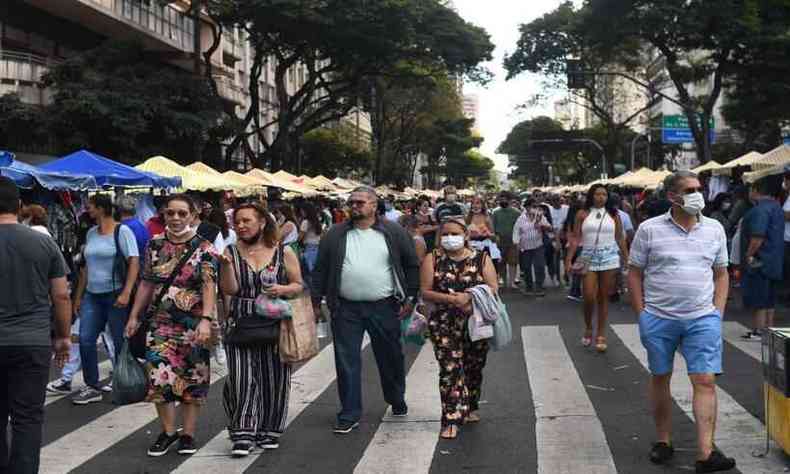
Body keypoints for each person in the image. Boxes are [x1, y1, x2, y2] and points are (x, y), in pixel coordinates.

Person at [627, 170, 735, 473]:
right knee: (660, 377)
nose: (697, 194)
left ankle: (705, 453)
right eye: (690, 190)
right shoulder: (649, 229)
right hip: (659, 318)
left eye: (699, 188)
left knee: (705, 380)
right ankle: (664, 441)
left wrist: (717, 312)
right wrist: (642, 314)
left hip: (702, 318)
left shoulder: (714, 229)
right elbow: (634, 272)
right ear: (673, 196)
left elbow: (721, 273)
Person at [312, 186, 419, 434]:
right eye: (352, 202)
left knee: (390, 357)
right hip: (345, 308)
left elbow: (411, 264)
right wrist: (316, 303)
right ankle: (349, 413)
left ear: (374, 205)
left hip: (385, 306)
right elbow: (320, 269)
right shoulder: (335, 234)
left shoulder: (393, 232)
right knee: (346, 360)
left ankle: (396, 397)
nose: (355, 206)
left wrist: (411, 297)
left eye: (360, 202)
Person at [125, 194, 219, 457]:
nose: (176, 218)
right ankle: (167, 432)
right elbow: (146, 283)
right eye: (170, 213)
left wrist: (206, 320)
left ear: (192, 215)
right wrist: (134, 316)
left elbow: (209, 286)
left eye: (181, 213)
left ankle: (187, 435)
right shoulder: (154, 245)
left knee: (192, 380)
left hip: (193, 327)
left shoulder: (205, 248)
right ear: (163, 215)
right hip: (160, 325)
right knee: (159, 379)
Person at [219, 203, 303, 456]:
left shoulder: (282, 251)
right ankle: (243, 433)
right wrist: (224, 266)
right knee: (241, 378)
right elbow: (230, 290)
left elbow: (298, 284)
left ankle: (270, 429)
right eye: (237, 221)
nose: (241, 226)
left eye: (247, 221)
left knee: (274, 377)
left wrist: (283, 289)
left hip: (274, 320)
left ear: (262, 222)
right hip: (241, 320)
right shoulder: (230, 251)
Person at [0, 177, 71, 474]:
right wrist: (64, 336)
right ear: (19, 206)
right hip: (31, 341)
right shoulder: (43, 242)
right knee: (27, 418)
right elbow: (61, 294)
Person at [420, 217, 498, 439]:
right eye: (445, 234)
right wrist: (451, 299)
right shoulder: (432, 258)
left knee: (474, 367)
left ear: (466, 236)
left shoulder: (482, 258)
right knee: (450, 369)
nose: (449, 238)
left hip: (476, 321)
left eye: (454, 234)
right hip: (443, 322)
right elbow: (425, 291)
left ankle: (471, 405)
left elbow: (493, 287)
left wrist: (469, 297)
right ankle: (451, 418)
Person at [72, 194, 140, 405]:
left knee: (119, 342)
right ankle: (92, 385)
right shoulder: (91, 233)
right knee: (85, 339)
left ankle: (124, 384)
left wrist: (127, 292)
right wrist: (79, 296)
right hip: (92, 294)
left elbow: (134, 263)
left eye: (90, 207)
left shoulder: (123, 231)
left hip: (115, 293)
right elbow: (85, 268)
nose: (87, 211)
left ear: (102, 208)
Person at [565, 185, 628, 352]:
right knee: (588, 296)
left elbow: (620, 237)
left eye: (604, 194)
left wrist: (626, 258)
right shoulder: (582, 214)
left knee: (603, 297)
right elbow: (576, 237)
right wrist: (568, 259)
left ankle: (601, 333)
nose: (601, 197)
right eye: (597, 194)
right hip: (587, 257)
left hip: (609, 258)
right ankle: (588, 327)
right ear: (591, 196)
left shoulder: (614, 215)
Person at [740, 178, 784, 340]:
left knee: (759, 297)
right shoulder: (776, 207)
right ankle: (768, 329)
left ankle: (759, 330)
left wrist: (749, 254)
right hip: (774, 259)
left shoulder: (759, 210)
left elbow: (757, 237)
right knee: (770, 299)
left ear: (756, 190)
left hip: (760, 260)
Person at [512, 199, 552, 297]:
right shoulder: (521, 218)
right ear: (526, 207)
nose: (534, 208)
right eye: (532, 206)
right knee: (526, 267)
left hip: (538, 245)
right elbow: (516, 231)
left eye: (535, 206)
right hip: (525, 247)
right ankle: (529, 287)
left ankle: (539, 286)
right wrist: (516, 243)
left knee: (540, 266)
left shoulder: (540, 216)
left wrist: (542, 225)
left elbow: (549, 227)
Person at [492, 193, 521, 289]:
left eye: (505, 199)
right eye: (501, 199)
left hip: (513, 240)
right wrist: (495, 237)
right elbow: (493, 226)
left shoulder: (516, 212)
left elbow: (519, 227)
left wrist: (518, 239)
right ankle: (503, 281)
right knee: (501, 262)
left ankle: (512, 281)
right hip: (499, 240)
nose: (503, 201)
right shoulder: (495, 212)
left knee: (513, 262)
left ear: (509, 200)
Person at [466, 195, 500, 261]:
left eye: (478, 203)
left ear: (482, 205)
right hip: (471, 247)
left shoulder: (487, 218)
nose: (475, 205)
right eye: (473, 203)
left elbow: (493, 236)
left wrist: (486, 233)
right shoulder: (468, 218)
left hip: (485, 247)